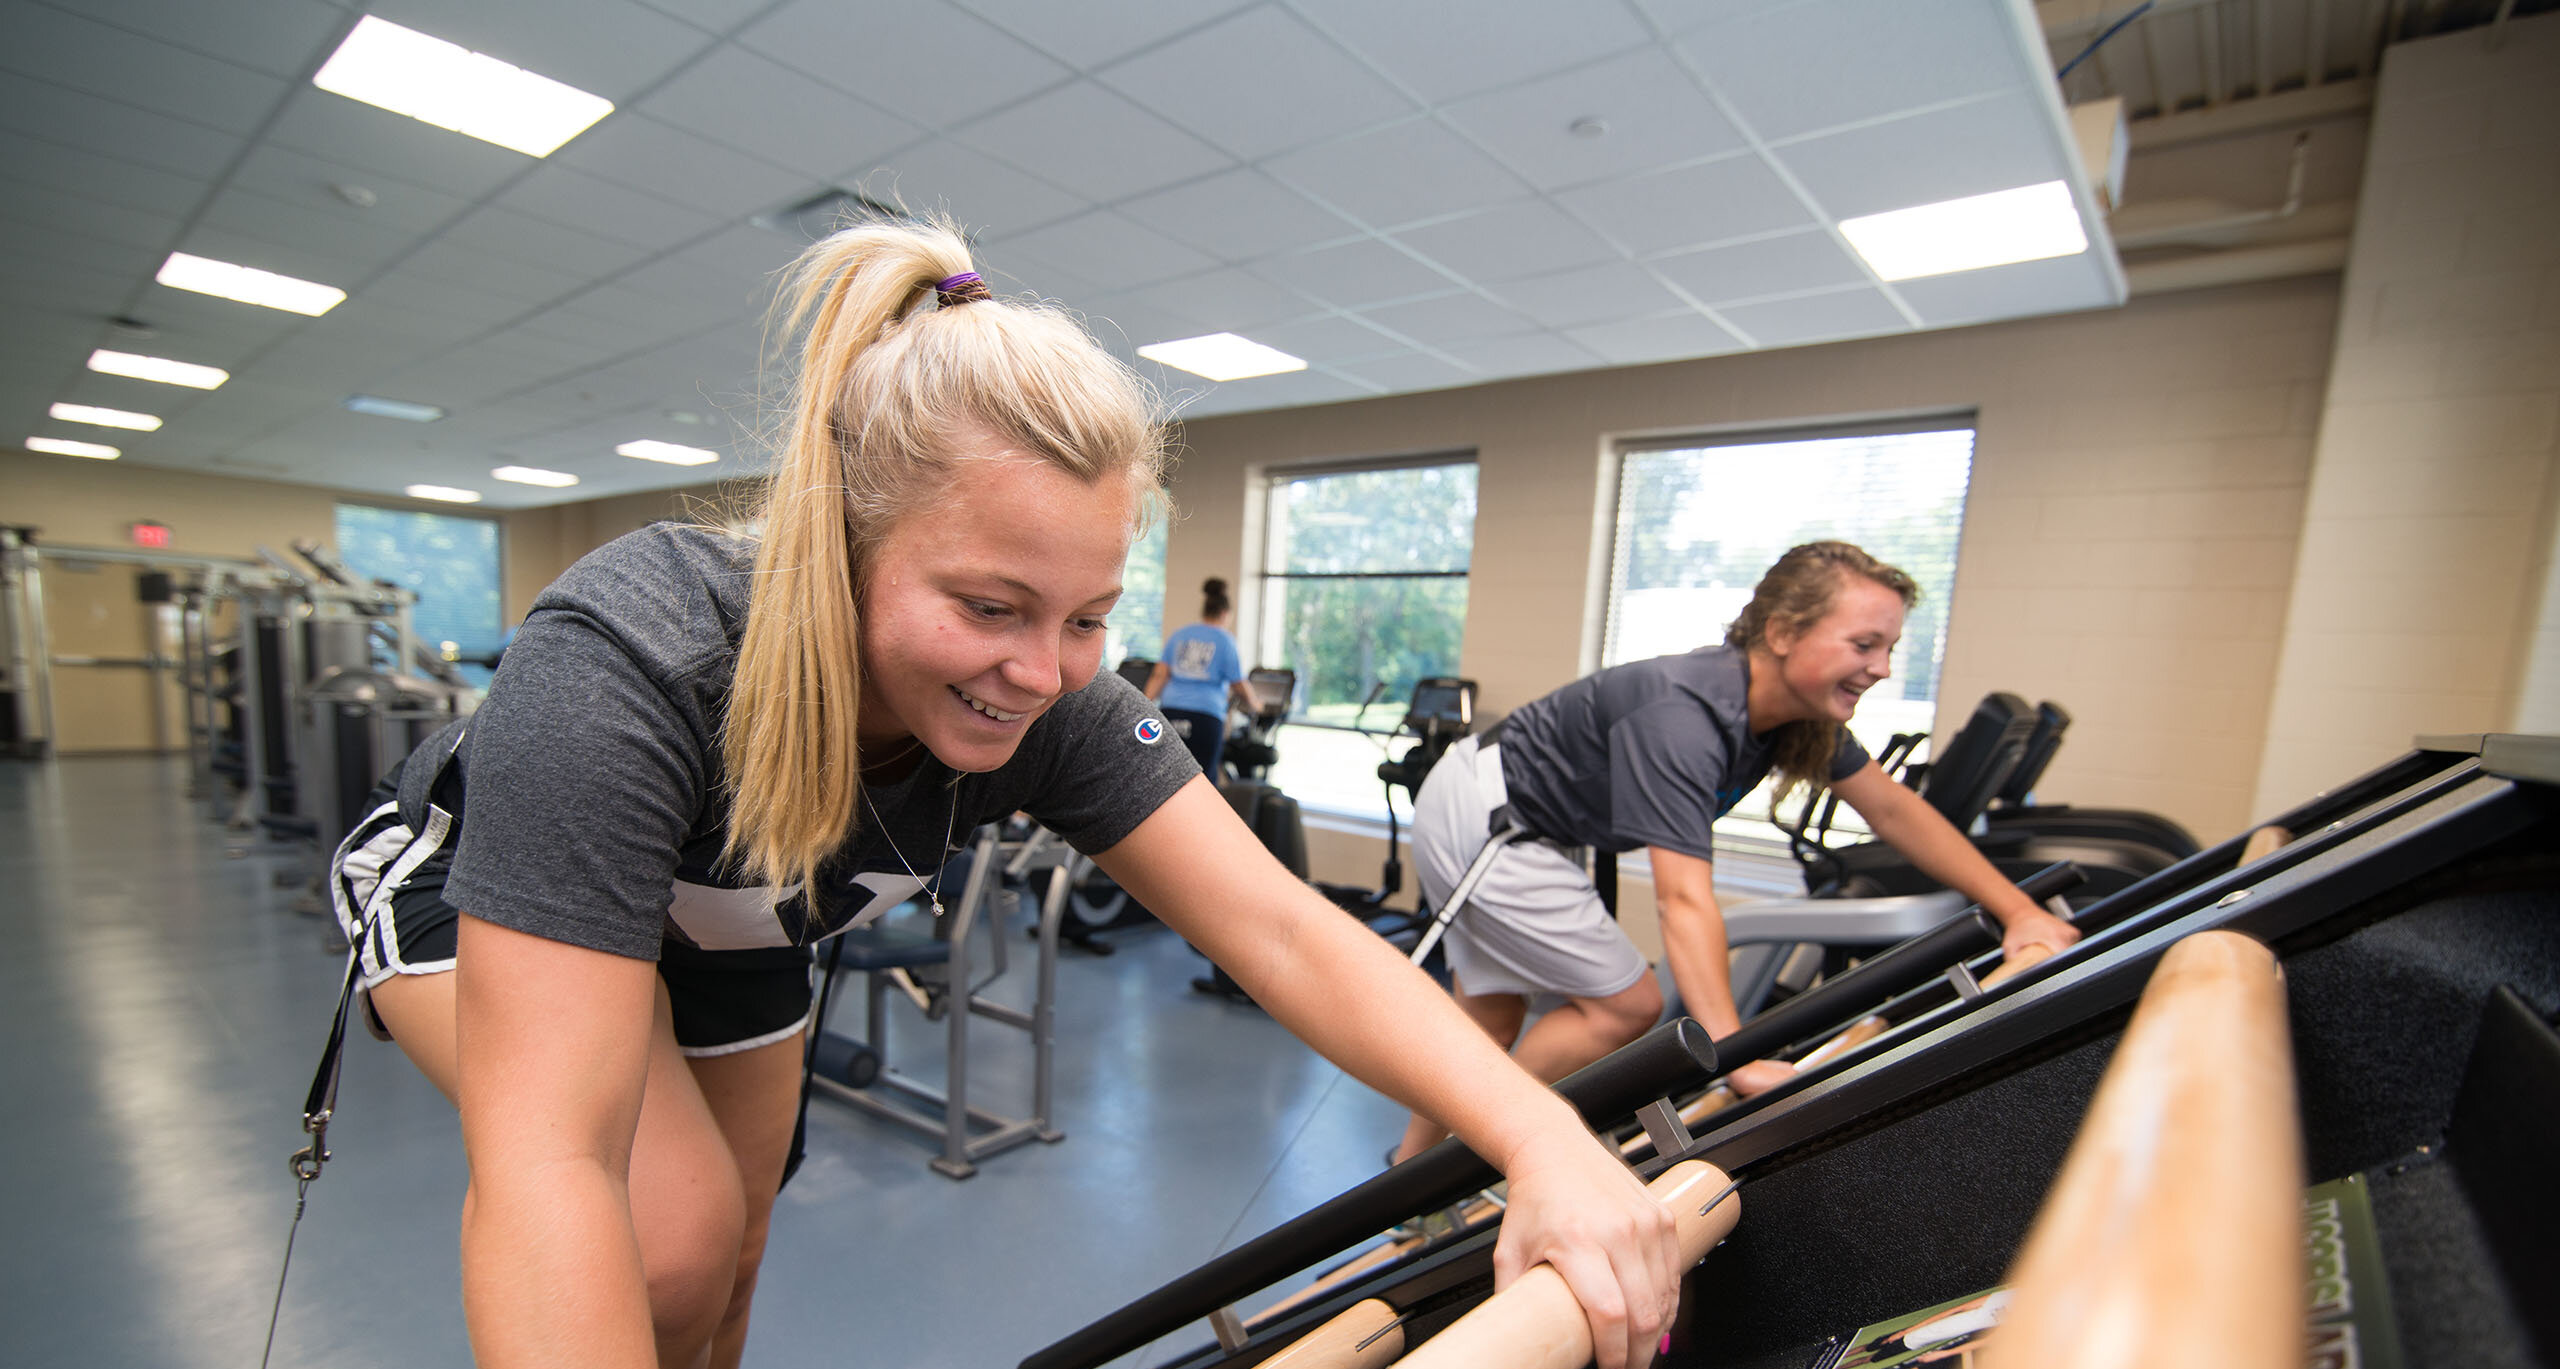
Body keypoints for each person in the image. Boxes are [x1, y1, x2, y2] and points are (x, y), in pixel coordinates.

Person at [325, 218, 1682, 1369]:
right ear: (838, 544)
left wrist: (1539, 1139)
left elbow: (1282, 928)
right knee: (661, 1226)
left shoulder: (1050, 690)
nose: (1041, 671)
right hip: (474, 882)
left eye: (1089, 615)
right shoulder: (634, 660)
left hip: (736, 918)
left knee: (732, 1237)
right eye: (989, 605)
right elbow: (547, 1163)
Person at [1391, 542, 2080, 1163]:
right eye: (1865, 643)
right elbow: (1682, 897)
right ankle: (1475, 1156)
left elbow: (1894, 808)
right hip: (1490, 814)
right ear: (1782, 632)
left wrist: (2017, 909)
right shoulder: (1683, 716)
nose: (1882, 667)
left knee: (1494, 1011)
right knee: (1627, 1005)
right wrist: (1734, 1055)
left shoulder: (1798, 717)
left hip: (1514, 810)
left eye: (1890, 647)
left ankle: (1411, 1178)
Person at [1145, 577, 1256, 776]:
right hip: (1205, 716)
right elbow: (1239, 683)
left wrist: (1143, 705)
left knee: (1167, 776)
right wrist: (1257, 705)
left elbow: (1159, 674)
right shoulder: (1225, 640)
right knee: (1203, 778)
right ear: (1225, 614)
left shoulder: (1179, 634)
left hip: (1171, 712)